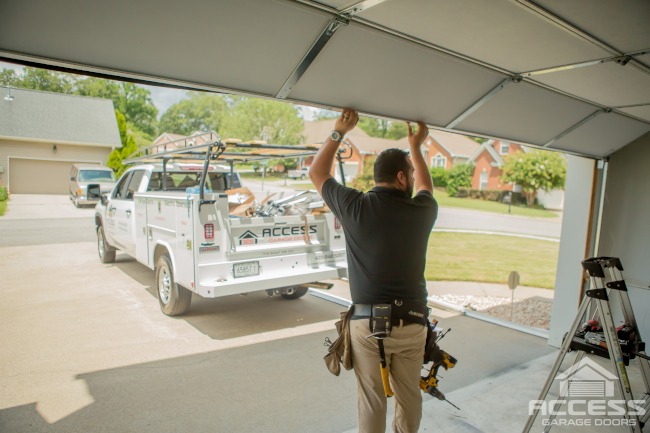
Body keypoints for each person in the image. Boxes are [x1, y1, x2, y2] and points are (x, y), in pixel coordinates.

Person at [309, 109, 438, 433]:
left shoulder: (355, 206)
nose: (411, 177)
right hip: (412, 323)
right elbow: (426, 186)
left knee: (372, 401)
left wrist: (339, 132)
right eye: (408, 171)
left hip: (367, 326)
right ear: (400, 177)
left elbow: (317, 172)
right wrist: (417, 147)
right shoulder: (422, 211)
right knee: (409, 399)